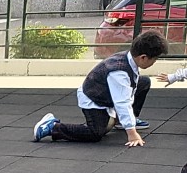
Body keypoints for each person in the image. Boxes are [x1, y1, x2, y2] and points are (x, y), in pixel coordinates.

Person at [32, 30, 167, 147]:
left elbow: (129, 90)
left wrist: (126, 119)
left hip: (106, 93)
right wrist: (132, 133)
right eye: (154, 60)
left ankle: (122, 121)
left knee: (144, 82)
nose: (154, 62)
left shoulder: (130, 58)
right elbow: (122, 102)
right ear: (143, 57)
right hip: (93, 98)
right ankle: (52, 127)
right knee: (95, 133)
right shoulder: (119, 72)